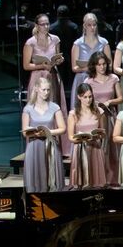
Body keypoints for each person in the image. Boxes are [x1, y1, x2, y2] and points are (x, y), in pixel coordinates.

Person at [23, 13, 69, 154]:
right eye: (43, 24)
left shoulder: (55, 39)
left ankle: (56, 146)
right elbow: (26, 65)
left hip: (52, 76)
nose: (46, 26)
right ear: (37, 26)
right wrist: (41, 65)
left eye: (48, 23)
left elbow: (57, 57)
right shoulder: (30, 42)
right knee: (38, 109)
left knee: (53, 108)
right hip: (38, 77)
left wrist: (58, 61)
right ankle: (36, 145)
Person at [84, 51, 122, 184]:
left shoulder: (113, 78)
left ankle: (113, 178)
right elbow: (84, 99)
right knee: (100, 147)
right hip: (96, 117)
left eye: (104, 64)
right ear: (94, 66)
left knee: (112, 148)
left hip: (110, 116)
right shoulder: (89, 81)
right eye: (99, 64)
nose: (102, 67)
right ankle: (99, 177)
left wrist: (110, 102)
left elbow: (121, 98)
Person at [22, 77, 67, 193]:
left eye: (48, 90)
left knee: (52, 178)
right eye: (43, 90)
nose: (46, 92)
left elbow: (62, 129)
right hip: (34, 146)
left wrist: (47, 132)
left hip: (50, 145)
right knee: (36, 178)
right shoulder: (28, 109)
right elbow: (24, 131)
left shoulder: (54, 107)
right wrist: (35, 133)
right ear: (36, 89)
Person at [69, 12, 112, 112]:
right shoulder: (78, 44)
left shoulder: (104, 43)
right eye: (89, 25)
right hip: (83, 78)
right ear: (84, 26)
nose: (92, 27)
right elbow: (74, 67)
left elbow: (109, 65)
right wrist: (88, 68)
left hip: (99, 79)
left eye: (94, 24)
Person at [67, 84, 107, 187]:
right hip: (81, 148)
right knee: (82, 181)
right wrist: (81, 139)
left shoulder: (99, 112)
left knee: (97, 182)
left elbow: (103, 133)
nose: (88, 100)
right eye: (85, 97)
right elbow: (70, 137)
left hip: (95, 148)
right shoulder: (73, 114)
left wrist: (98, 136)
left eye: (90, 96)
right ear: (79, 97)